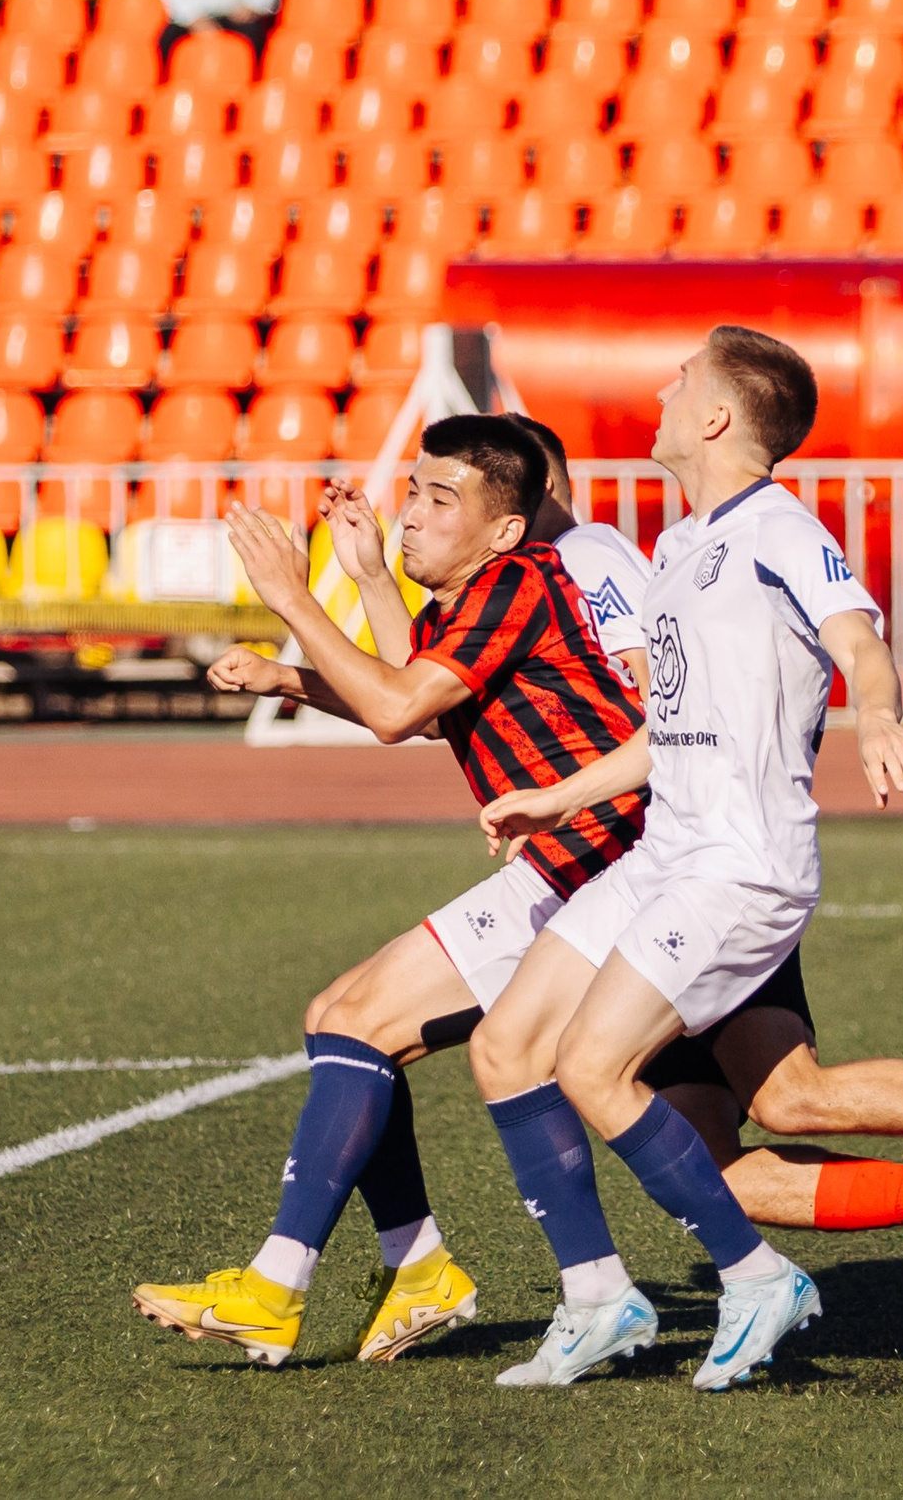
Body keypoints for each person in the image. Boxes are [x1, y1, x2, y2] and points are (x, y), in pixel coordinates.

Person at [474, 326, 903, 1391]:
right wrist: (552, 799)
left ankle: (752, 1279)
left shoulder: (778, 527)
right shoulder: (674, 551)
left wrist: (878, 715)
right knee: (521, 1045)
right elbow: (669, 727)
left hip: (737, 867)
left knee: (593, 1069)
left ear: (714, 418)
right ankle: (601, 1295)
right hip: (666, 854)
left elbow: (857, 637)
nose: (659, 387)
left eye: (680, 379)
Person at [133, 416, 647, 1367]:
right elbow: (410, 695)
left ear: (503, 529)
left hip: (603, 861)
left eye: (438, 499)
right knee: (342, 1015)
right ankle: (413, 1271)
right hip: (577, 860)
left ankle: (288, 1284)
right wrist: (313, 648)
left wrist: (294, 598)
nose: (409, 514)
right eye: (413, 490)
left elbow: (395, 707)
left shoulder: (518, 581)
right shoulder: (486, 588)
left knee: (360, 1020)